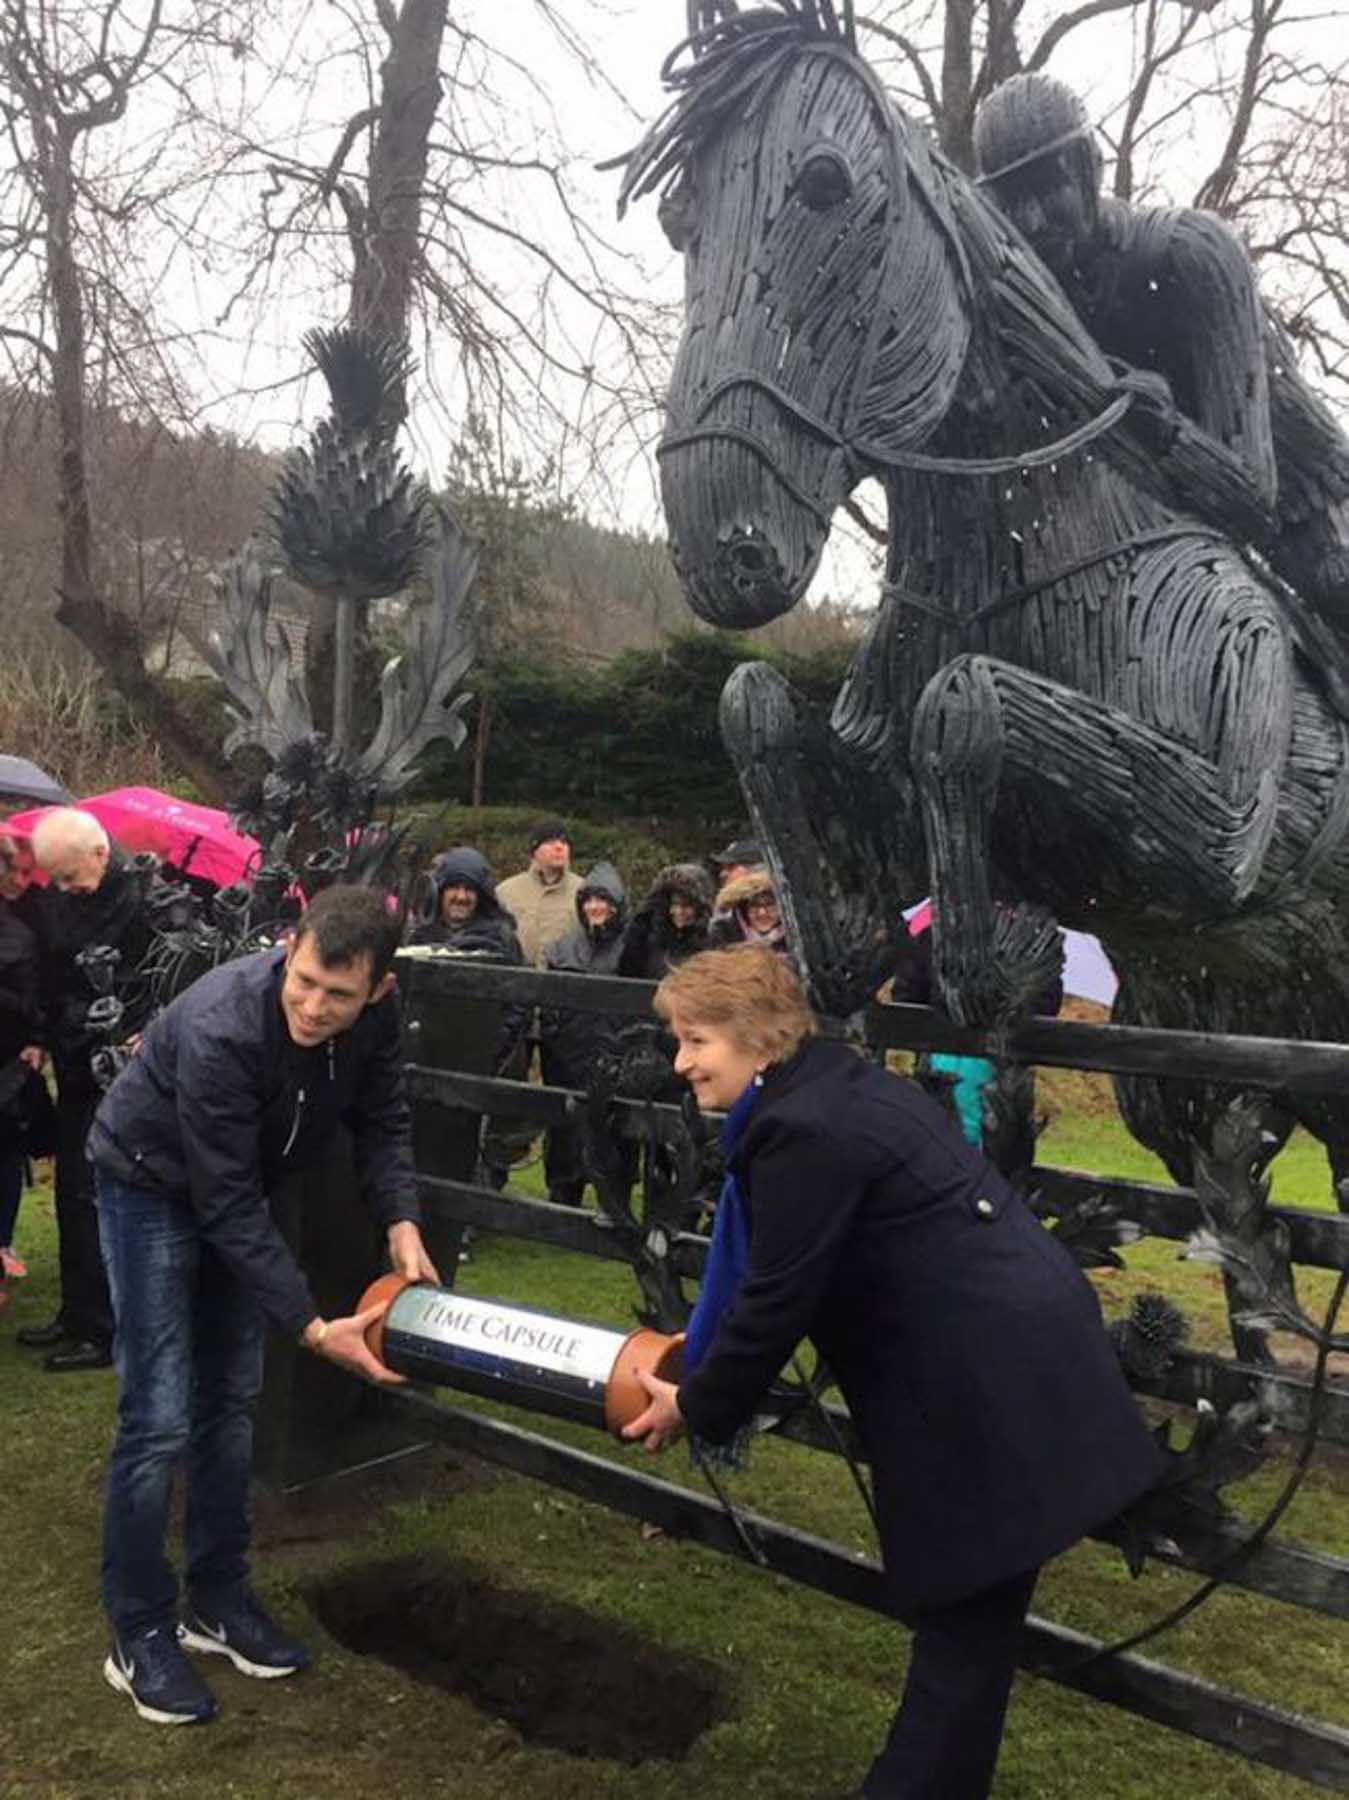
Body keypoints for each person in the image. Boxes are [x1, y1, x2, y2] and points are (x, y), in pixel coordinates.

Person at [624, 948, 1163, 1799]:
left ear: (760, 1041)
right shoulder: (834, 1085)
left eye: (696, 1041)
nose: (680, 1062)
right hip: (1005, 1364)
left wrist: (696, 1402)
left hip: (985, 1387)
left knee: (961, 1626)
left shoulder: (804, 1131)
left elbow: (773, 1299)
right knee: (970, 1630)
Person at [86, 884, 438, 1727]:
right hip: (149, 1183)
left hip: (245, 1185)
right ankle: (137, 1631)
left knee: (233, 1403)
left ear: (379, 990)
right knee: (159, 1415)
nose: (314, 1007)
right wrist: (314, 1327)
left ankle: (217, 1598)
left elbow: (383, 1118)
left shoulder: (379, 1018)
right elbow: (226, 1204)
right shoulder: (222, 1026)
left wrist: (401, 1218)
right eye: (305, 980)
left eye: (339, 995)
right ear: (290, 945)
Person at [972, 73, 1349, 658]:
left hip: (1308, 513)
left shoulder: (1191, 256)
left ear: (1089, 167)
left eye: (1048, 188)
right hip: (1175, 527)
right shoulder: (1042, 303)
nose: (1034, 220)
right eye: (1011, 200)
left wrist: (1168, 431)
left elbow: (1253, 496)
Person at [17, 808, 157, 1371]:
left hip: (117, 1067)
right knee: (71, 1190)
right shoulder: (79, 896)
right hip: (76, 1061)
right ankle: (78, 1313)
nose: (66, 889)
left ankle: (103, 1328)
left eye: (71, 877)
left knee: (98, 1195)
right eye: (59, 881)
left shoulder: (141, 902)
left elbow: (151, 983)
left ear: (100, 854)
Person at [539, 862, 629, 1205]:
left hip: (614, 1055)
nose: (595, 907)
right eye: (589, 900)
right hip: (568, 1055)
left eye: (602, 900)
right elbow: (547, 998)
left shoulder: (629, 947)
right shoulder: (563, 946)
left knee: (615, 1133)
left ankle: (614, 1202)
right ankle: (563, 1194)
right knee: (565, 1129)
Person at [0, 829, 45, 1284]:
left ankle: (2, 1241)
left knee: (5, 1155)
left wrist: (35, 1039)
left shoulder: (21, 934)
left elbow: (31, 1004)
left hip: (6, 1062)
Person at [495, 821, 584, 969]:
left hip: (565, 980)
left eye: (564, 842)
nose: (559, 847)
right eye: (550, 842)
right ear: (534, 851)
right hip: (515, 979)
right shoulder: (505, 892)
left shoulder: (584, 891)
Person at [409, 846, 524, 961]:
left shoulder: (501, 940)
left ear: (480, 895)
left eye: (469, 889)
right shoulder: (418, 937)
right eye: (453, 887)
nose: (461, 897)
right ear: (440, 891)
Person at [617, 862, 714, 980]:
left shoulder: (712, 945)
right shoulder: (652, 940)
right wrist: (637, 930)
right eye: (674, 904)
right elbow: (629, 977)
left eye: (686, 906)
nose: (678, 912)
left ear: (699, 908)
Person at [707, 867, 787, 954]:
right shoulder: (723, 934)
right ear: (743, 908)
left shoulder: (796, 936)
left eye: (770, 905)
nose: (762, 912)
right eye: (754, 905)